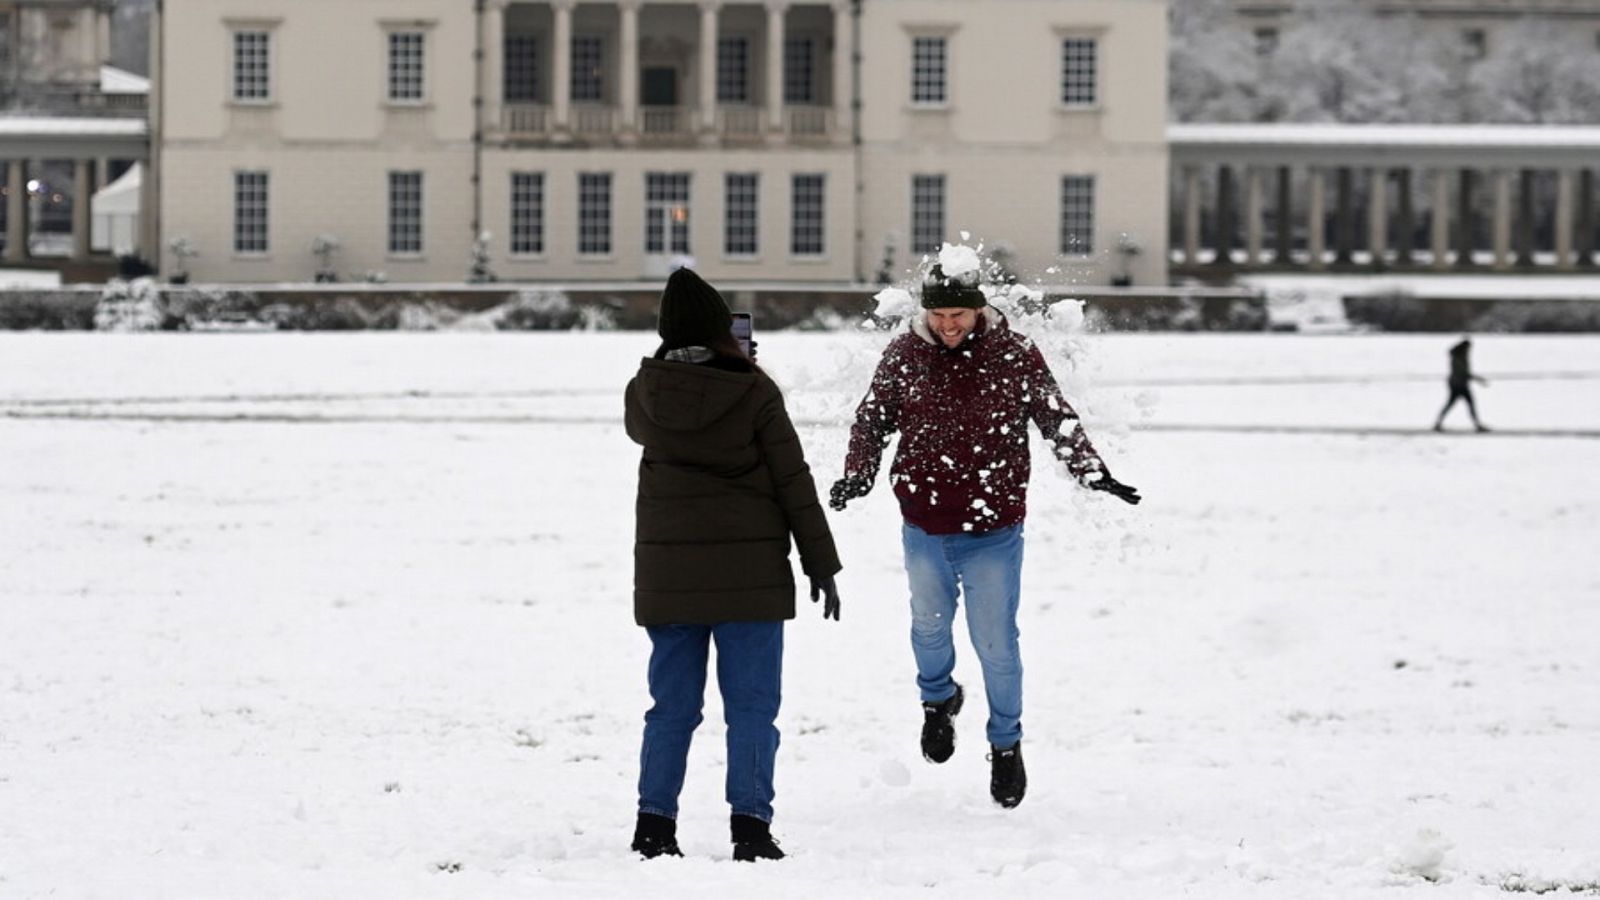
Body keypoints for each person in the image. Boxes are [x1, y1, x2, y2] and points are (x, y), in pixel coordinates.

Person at [829, 263, 1139, 809]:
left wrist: (1091, 469)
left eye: (959, 314)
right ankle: (938, 702)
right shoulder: (905, 356)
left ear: (979, 309)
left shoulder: (1014, 353)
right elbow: (872, 420)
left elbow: (1053, 414)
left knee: (996, 645)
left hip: (994, 526)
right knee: (928, 628)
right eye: (939, 314)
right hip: (924, 521)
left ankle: (1005, 744)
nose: (949, 325)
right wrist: (858, 472)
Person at [624, 267, 842, 862]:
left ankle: (653, 827)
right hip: (752, 581)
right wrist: (821, 563)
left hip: (669, 582)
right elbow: (792, 482)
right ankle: (749, 828)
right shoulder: (753, 391)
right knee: (751, 709)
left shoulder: (643, 392)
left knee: (671, 708)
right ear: (724, 331)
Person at [1432, 337, 1490, 432]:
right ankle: (1477, 425)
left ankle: (1438, 423)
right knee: (1467, 403)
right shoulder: (1458, 357)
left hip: (1459, 383)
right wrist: (1479, 379)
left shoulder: (1461, 356)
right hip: (1458, 384)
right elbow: (1463, 372)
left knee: (1456, 404)